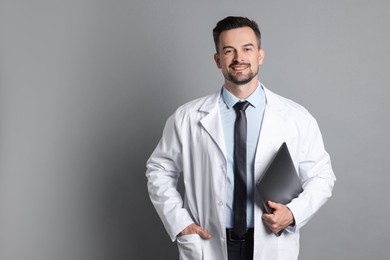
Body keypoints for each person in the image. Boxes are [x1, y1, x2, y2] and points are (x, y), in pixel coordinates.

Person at [146, 16, 335, 260]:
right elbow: (159, 169)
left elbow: (322, 176)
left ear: (260, 55)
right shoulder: (187, 117)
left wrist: (293, 213)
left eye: (247, 49)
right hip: (209, 242)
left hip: (270, 240)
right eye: (228, 51)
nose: (239, 59)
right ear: (218, 60)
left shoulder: (296, 117)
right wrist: (179, 222)